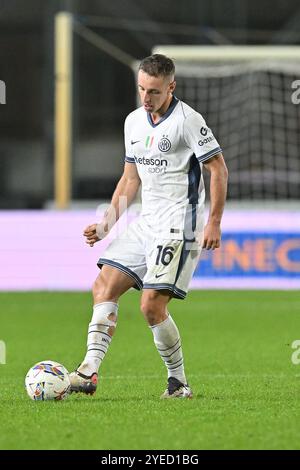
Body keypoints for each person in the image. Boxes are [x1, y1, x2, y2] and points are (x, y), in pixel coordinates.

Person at [69, 54, 228, 399]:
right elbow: (130, 179)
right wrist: (107, 224)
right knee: (104, 286)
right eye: (142, 89)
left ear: (171, 87)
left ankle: (178, 383)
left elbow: (218, 169)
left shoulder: (188, 121)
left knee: (151, 305)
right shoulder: (133, 122)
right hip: (147, 221)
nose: (146, 98)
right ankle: (88, 373)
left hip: (179, 223)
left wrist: (213, 221)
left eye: (154, 91)